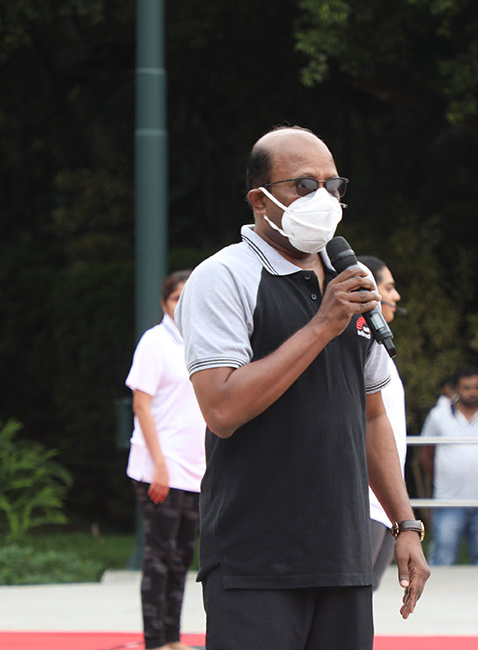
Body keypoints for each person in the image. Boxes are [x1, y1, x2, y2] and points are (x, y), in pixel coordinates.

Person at [175, 125, 429, 650]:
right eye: (304, 185)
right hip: (255, 559)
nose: (324, 199)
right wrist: (321, 325)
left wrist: (405, 524)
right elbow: (221, 409)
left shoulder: (348, 279)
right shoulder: (224, 277)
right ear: (259, 199)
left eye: (333, 186)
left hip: (343, 552)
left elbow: (373, 415)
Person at [125, 269, 206, 650]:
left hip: (194, 472)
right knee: (159, 556)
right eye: (177, 298)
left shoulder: (202, 341)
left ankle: (172, 638)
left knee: (181, 558)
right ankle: (155, 640)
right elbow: (141, 405)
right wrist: (159, 465)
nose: (183, 305)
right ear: (164, 303)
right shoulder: (155, 342)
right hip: (160, 468)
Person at [419, 365, 478, 566]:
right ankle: (438, 597)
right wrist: (443, 478)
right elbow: (425, 456)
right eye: (467, 388)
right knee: (443, 558)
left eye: (477, 387)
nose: (473, 392)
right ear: (457, 389)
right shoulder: (438, 416)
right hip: (448, 502)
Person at [357, 255, 407, 591]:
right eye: (388, 287)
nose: (396, 296)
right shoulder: (354, 343)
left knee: (362, 606)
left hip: (384, 507)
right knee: (349, 606)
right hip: (363, 503)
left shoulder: (378, 349)